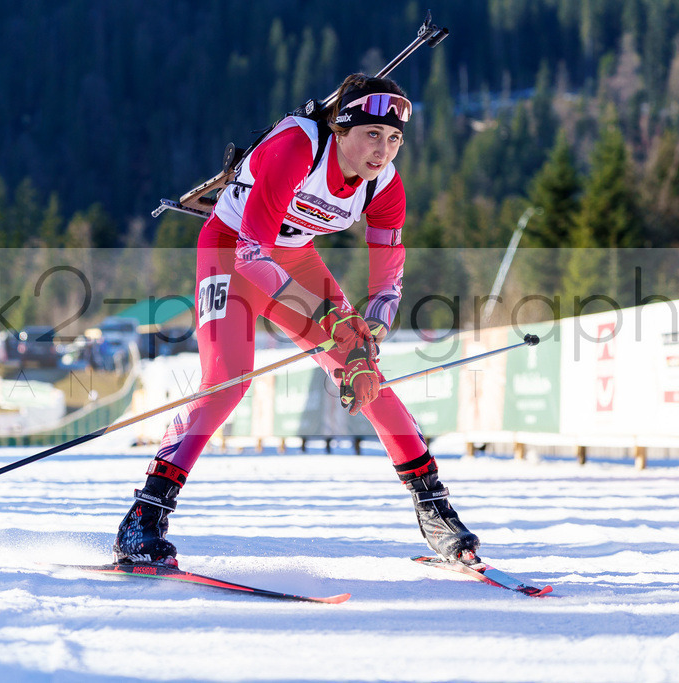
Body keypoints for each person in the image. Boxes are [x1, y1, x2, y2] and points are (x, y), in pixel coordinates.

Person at [114, 74, 480, 567]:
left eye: (394, 139)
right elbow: (249, 252)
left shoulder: (386, 187)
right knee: (227, 382)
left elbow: (388, 284)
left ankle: (435, 510)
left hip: (293, 259)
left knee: (367, 373)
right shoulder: (297, 147)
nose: (383, 150)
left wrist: (367, 332)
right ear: (341, 128)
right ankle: (144, 517)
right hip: (231, 251)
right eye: (372, 134)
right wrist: (328, 316)